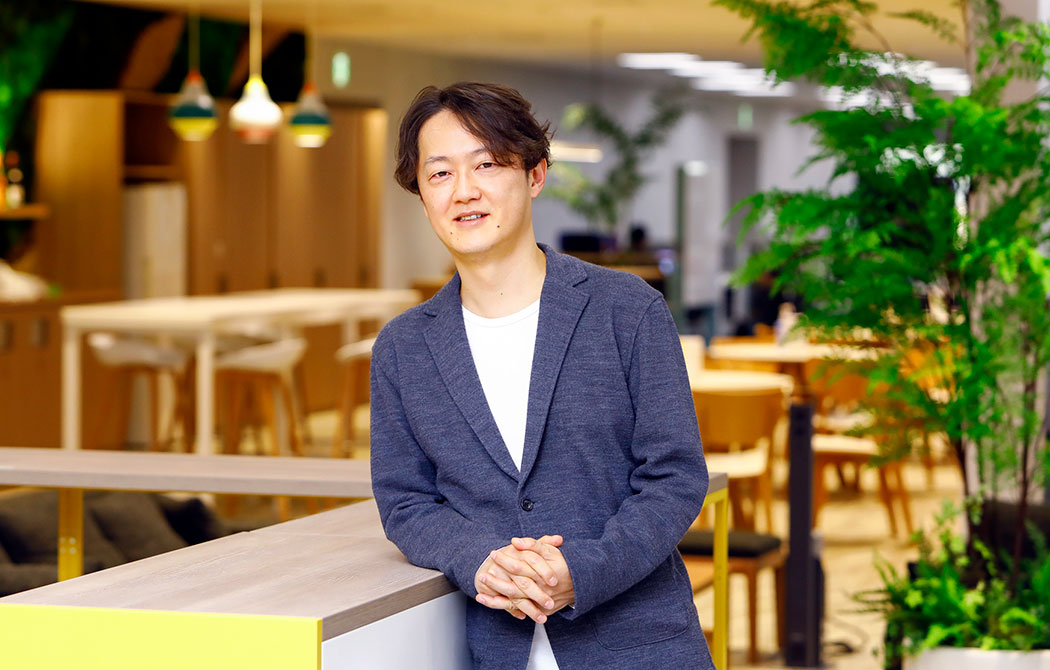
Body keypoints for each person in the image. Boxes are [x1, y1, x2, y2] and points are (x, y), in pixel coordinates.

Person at [370, 81, 713, 669]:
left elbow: (675, 477)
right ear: (421, 195)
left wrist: (582, 570)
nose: (464, 191)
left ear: (535, 175)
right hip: (493, 647)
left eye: (486, 164)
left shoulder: (628, 310)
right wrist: (479, 558)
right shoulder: (403, 349)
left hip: (638, 645)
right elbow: (406, 503)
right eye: (440, 173)